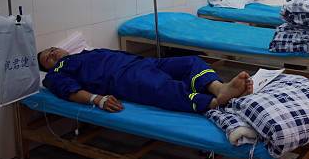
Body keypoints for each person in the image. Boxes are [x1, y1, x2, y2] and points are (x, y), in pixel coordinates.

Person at [37, 47, 253, 113]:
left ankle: (218, 88)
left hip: (144, 62)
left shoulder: (85, 52)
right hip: (123, 78)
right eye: (48, 57)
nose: (54, 54)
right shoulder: (57, 73)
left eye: (54, 49)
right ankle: (214, 103)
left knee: (190, 62)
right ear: (46, 67)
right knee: (162, 87)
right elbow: (68, 90)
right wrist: (97, 99)